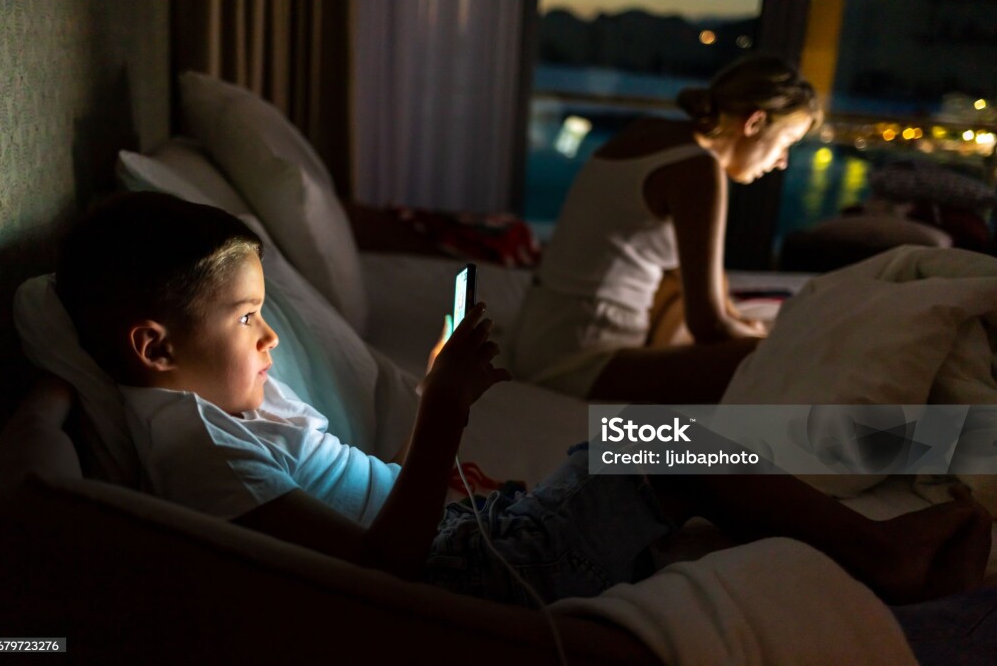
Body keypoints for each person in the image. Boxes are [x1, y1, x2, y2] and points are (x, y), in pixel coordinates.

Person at [53, 193, 992, 655]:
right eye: (247, 317)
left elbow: (352, 484)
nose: (267, 335)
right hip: (463, 577)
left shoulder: (228, 404)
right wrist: (444, 417)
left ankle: (896, 489)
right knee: (655, 444)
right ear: (151, 346)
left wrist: (456, 479)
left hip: (474, 531)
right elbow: (372, 574)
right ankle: (882, 554)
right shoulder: (189, 442)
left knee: (649, 450)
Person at [510, 55, 821, 403]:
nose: (782, 162)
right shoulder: (698, 170)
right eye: (786, 143)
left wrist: (740, 323)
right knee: (778, 361)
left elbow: (698, 281)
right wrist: (763, 342)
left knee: (685, 283)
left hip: (539, 335)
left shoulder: (650, 132)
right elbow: (709, 325)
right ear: (755, 122)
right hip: (579, 357)